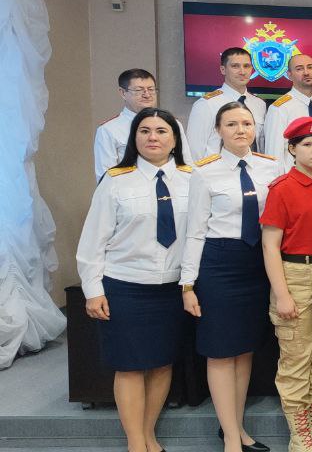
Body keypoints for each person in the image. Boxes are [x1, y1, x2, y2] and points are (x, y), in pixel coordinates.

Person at [77, 107, 191, 452]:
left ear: (175, 139)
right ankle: (135, 443)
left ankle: (149, 434)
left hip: (171, 288)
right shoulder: (115, 179)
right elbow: (92, 240)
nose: (153, 137)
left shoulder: (193, 178)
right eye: (144, 131)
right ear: (134, 138)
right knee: (129, 367)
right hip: (124, 286)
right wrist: (93, 290)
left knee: (160, 363)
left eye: (161, 131)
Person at [180, 102, 277, 452]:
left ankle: (236, 427)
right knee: (221, 351)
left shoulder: (271, 166)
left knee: (244, 349)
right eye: (232, 124)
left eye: (247, 123)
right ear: (218, 130)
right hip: (220, 264)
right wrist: (188, 284)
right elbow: (194, 232)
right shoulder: (203, 172)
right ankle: (232, 440)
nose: (241, 130)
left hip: (258, 262)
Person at [260, 116, 312, 452]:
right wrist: (281, 293)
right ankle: (299, 434)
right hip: (296, 275)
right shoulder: (282, 189)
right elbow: (269, 246)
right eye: (307, 144)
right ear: (292, 149)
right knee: (296, 356)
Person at [93, 69, 192, 180]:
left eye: (151, 89)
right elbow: (105, 177)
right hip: (130, 193)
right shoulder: (109, 129)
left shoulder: (172, 124)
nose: (147, 94)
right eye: (139, 90)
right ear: (123, 93)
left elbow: (186, 163)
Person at [188, 47, 267, 159]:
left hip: (254, 171)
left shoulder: (259, 104)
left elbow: (260, 144)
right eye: (235, 66)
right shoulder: (206, 104)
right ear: (223, 70)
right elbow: (194, 150)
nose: (242, 72)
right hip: (217, 173)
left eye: (246, 66)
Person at [263, 54, 312, 168]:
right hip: (294, 178)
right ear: (289, 75)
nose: (306, 72)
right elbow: (274, 155)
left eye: (310, 67)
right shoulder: (279, 108)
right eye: (299, 69)